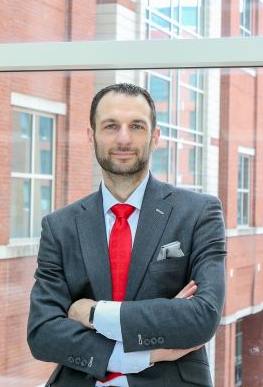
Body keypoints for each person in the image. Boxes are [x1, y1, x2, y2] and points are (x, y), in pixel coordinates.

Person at [27, 83, 227, 386]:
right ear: (91, 136)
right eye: (110, 126)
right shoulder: (59, 227)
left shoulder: (199, 213)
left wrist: (93, 313)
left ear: (155, 137)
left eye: (136, 126)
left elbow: (202, 317)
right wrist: (138, 355)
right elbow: (42, 332)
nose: (123, 138)